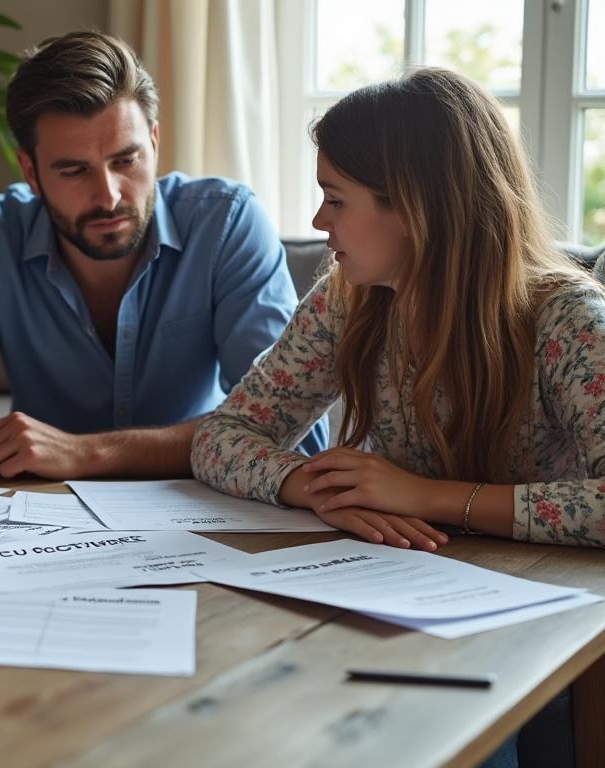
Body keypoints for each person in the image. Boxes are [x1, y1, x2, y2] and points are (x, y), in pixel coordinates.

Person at [0, 31, 325, 500]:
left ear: (154, 139)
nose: (108, 195)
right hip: (38, 517)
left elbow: (289, 422)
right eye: (73, 170)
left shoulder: (226, 222)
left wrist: (89, 452)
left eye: (126, 160)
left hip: (204, 502)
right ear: (31, 172)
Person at [192, 67, 605, 552]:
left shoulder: (567, 321)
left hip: (550, 592)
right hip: (401, 572)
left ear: (415, 209)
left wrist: (424, 496)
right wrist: (323, 490)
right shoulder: (344, 300)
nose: (318, 220)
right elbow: (220, 435)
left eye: (336, 200)